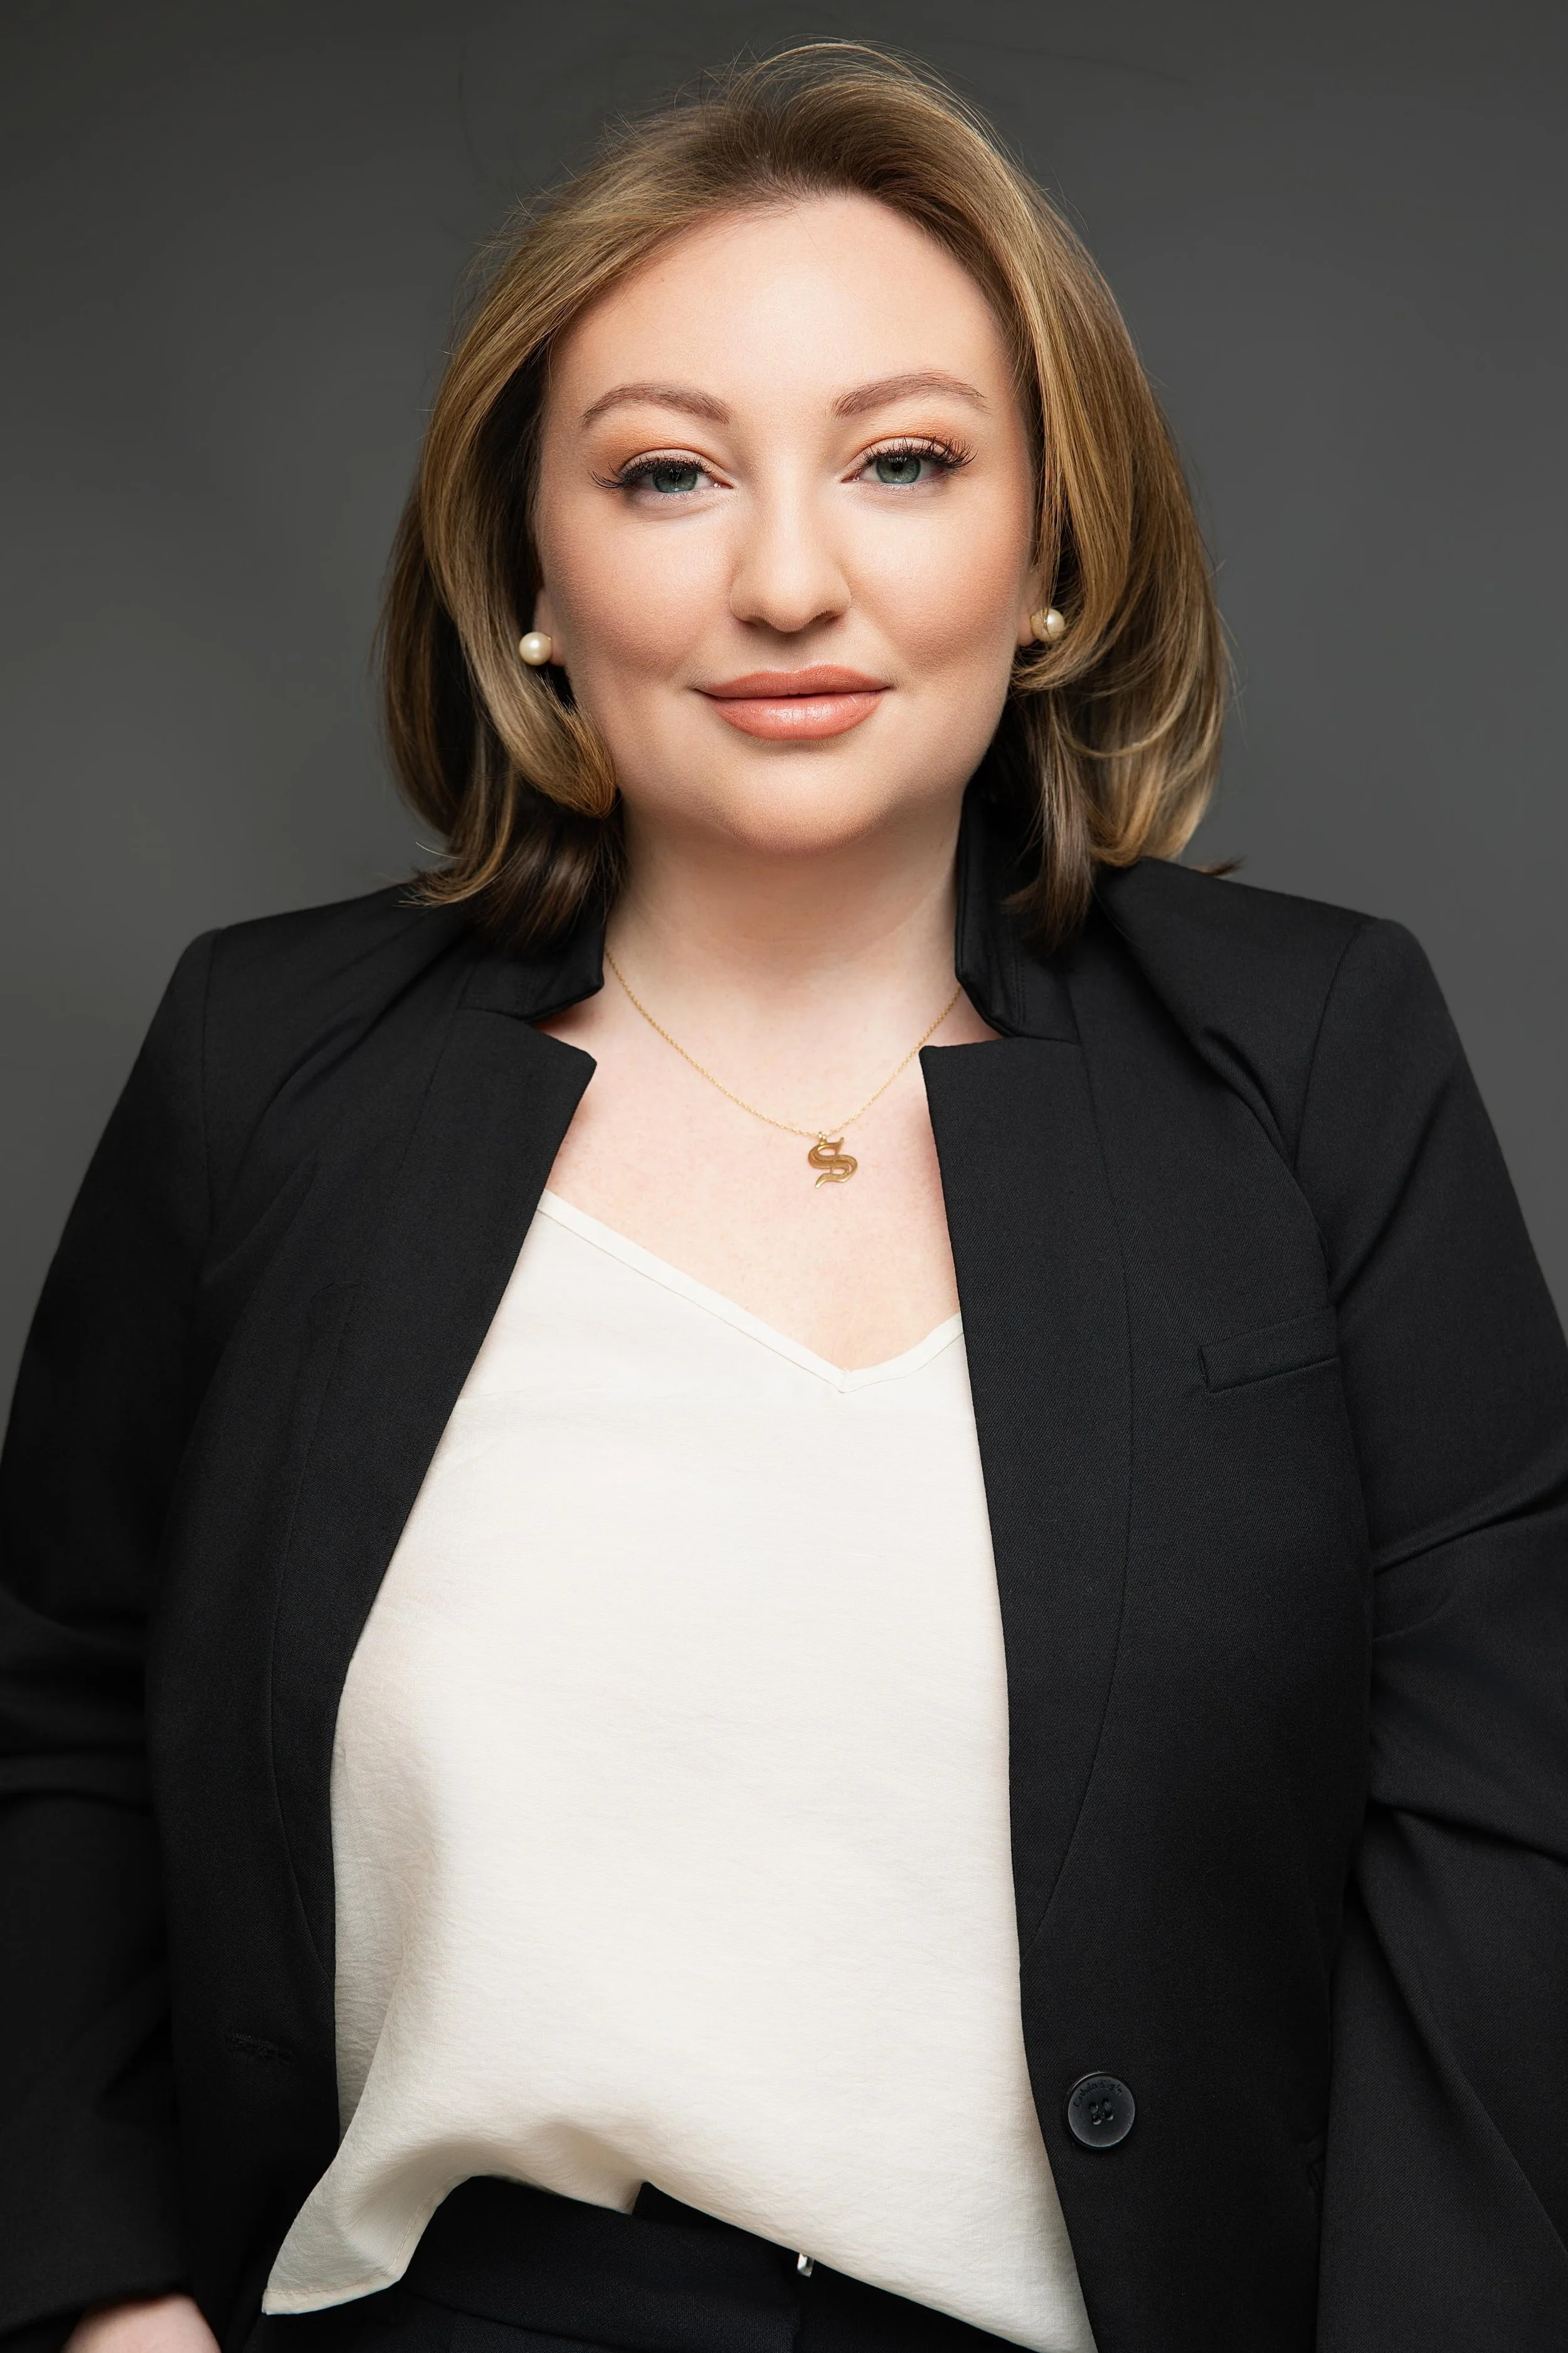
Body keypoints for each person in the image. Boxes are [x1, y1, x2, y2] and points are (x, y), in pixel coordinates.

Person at [2, 38, 1565, 2353]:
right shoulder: (270, 1068)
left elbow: (1496, 1831)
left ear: (1048, 553)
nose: (788, 579)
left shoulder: (1316, 1057)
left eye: (902, 459)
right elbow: (52, 1718)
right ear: (532, 577)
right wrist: (104, 2300)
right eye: (667, 473)